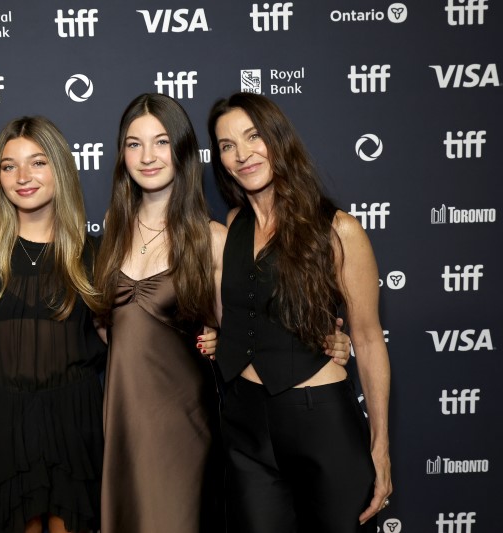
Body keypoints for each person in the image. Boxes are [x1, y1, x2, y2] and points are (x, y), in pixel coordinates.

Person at [208, 91, 392, 532]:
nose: (242, 154)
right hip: (245, 423)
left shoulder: (338, 229)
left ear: (278, 139)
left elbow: (366, 338)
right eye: (227, 145)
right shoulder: (233, 225)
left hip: (319, 420)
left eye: (253, 137)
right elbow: (236, 315)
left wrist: (381, 445)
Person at [0, 116, 107, 533]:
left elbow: (119, 339)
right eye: (9, 166)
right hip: (0, 418)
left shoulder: (94, 254)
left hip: (73, 417)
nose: (22, 177)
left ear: (59, 168)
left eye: (37, 163)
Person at [94, 93, 228, 533]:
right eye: (134, 144)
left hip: (185, 424)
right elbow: (107, 325)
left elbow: (242, 332)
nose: (147, 156)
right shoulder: (113, 228)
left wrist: (219, 338)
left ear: (183, 150)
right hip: (123, 421)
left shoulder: (211, 237)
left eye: (161, 142)